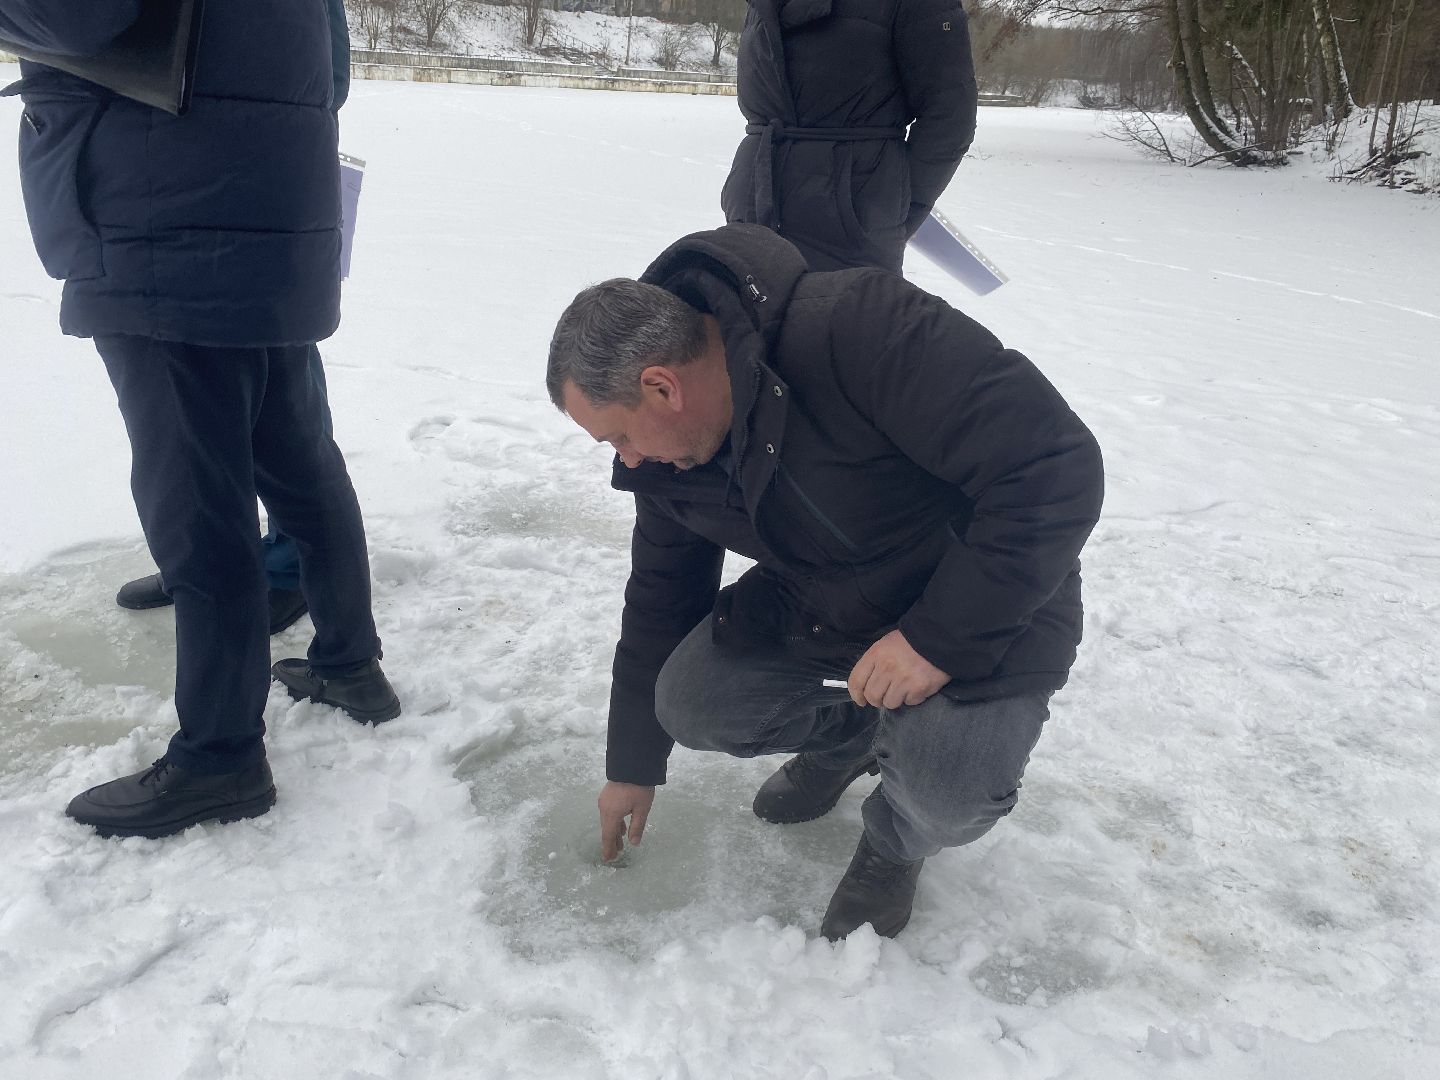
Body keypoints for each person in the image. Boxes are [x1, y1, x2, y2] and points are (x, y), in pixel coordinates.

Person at [546, 224, 1103, 939]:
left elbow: (1054, 467)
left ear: (662, 386)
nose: (625, 459)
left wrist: (934, 641)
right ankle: (851, 737)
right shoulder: (670, 463)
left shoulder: (859, 329)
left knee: (948, 796)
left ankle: (894, 844)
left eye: (618, 436)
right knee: (690, 703)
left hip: (984, 597)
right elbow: (661, 598)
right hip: (829, 603)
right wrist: (632, 764)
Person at [1, 0, 401, 839]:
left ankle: (220, 760)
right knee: (296, 459)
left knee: (196, 504)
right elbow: (330, 68)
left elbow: (80, 20)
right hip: (270, 205)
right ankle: (350, 665)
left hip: (166, 215)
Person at [113, 0, 356, 640]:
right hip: (184, 195)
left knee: (285, 420)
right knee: (199, 428)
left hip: (249, 201)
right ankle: (202, 560)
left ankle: (279, 569)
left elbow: (329, 74)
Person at [722, 0, 978, 274]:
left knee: (848, 314)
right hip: (753, 212)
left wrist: (892, 207)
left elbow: (950, 115)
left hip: (850, 228)